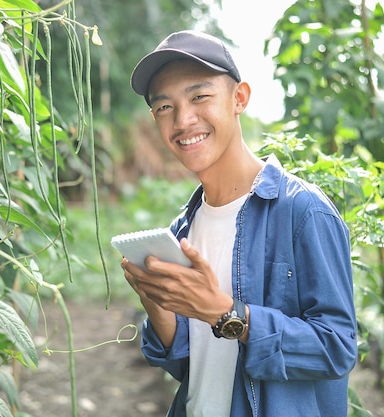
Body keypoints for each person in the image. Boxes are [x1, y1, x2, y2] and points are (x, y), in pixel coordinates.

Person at [121, 30, 357, 417]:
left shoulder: (303, 212)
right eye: (165, 107)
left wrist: (227, 315)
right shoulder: (182, 229)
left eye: (199, 97)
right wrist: (159, 305)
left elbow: (337, 348)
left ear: (239, 99)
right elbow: (190, 365)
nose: (183, 120)